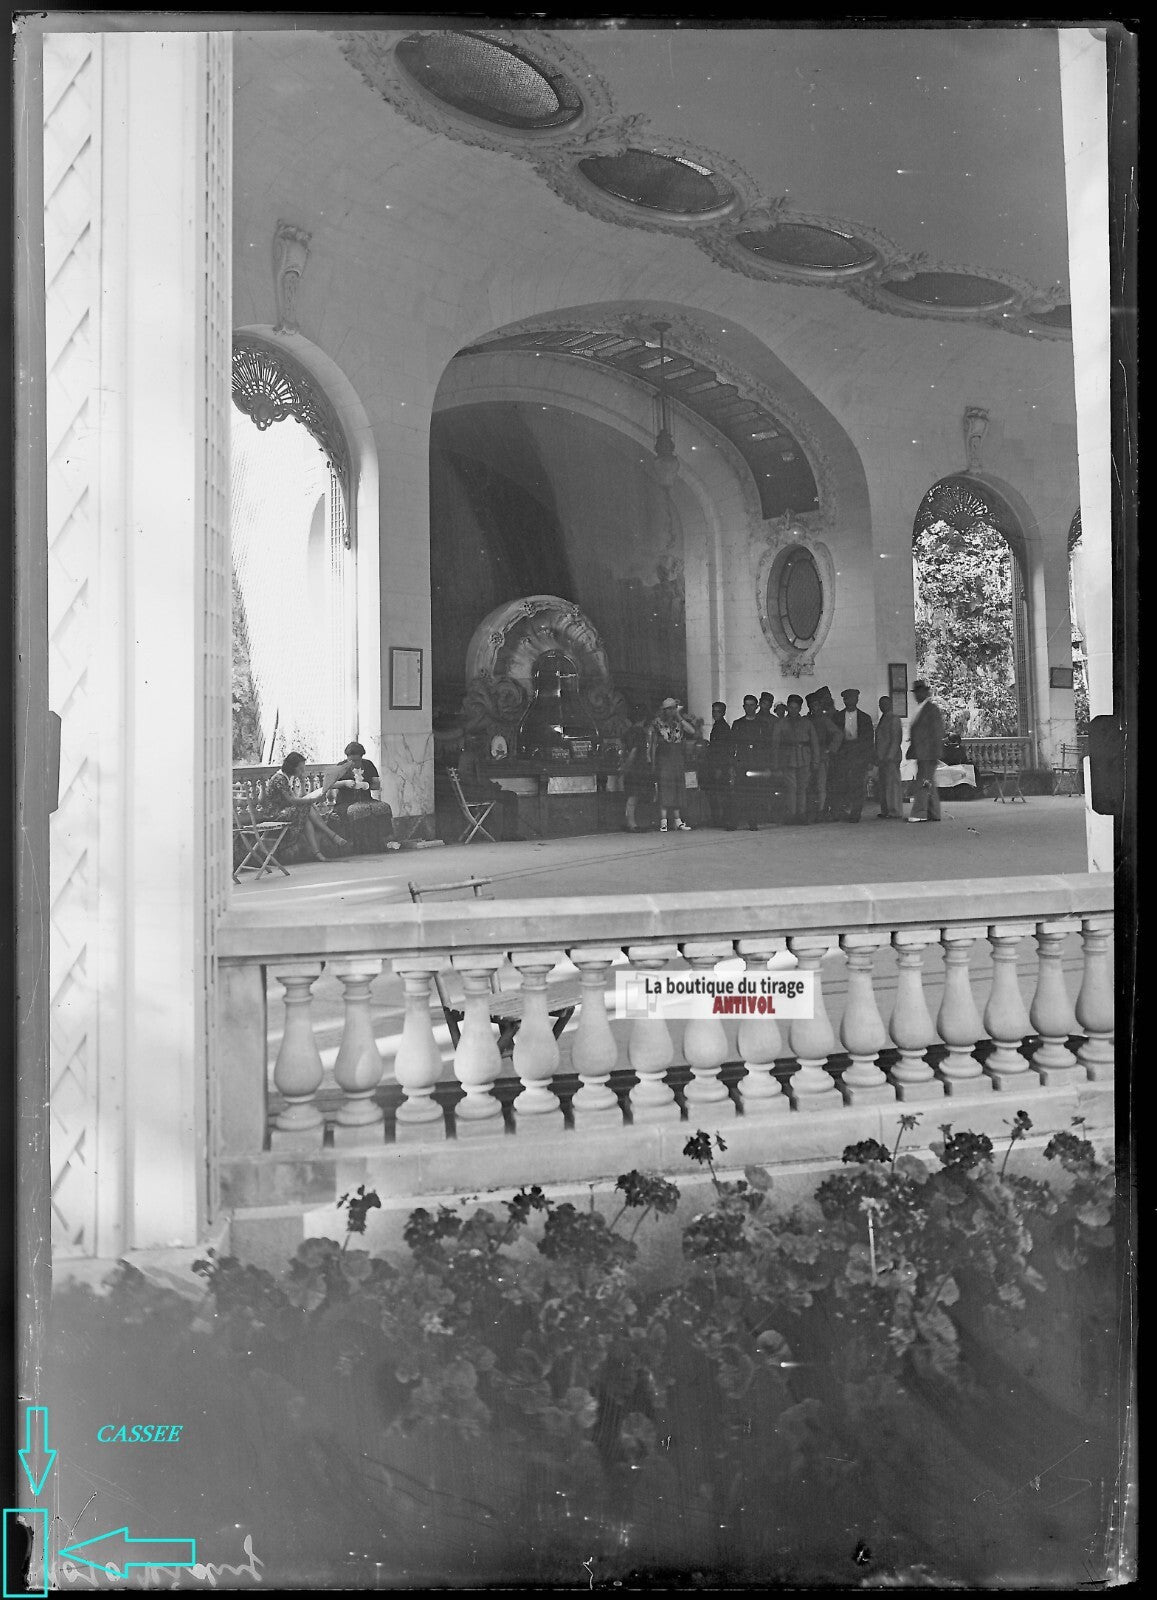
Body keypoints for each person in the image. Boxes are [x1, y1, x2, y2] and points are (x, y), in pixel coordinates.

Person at [260, 751, 352, 862]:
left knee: (306, 819)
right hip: (274, 814)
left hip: (285, 811)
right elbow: (292, 800)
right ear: (292, 767)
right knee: (307, 806)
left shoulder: (288, 777)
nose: (303, 771)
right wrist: (313, 799)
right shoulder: (280, 779)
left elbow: (299, 797)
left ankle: (318, 854)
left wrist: (302, 782)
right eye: (300, 768)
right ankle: (332, 835)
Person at [323, 741, 396, 852]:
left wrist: (366, 785)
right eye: (351, 760)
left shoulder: (368, 765)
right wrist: (344, 783)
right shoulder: (341, 766)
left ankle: (384, 840)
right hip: (345, 802)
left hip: (366, 799)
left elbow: (376, 784)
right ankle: (360, 845)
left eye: (356, 760)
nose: (353, 763)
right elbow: (328, 784)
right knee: (357, 810)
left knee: (383, 807)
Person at [455, 732, 521, 840]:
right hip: (477, 794)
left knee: (507, 796)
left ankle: (507, 833)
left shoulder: (464, 756)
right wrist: (494, 786)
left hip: (467, 793)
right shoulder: (475, 756)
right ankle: (509, 834)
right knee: (511, 797)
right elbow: (482, 781)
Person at [648, 696, 697, 833]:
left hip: (677, 757)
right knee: (665, 788)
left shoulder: (678, 722)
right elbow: (652, 744)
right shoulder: (657, 723)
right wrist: (652, 761)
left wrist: (679, 717)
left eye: (674, 708)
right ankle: (663, 821)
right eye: (670, 709)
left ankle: (678, 821)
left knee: (677, 787)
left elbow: (692, 731)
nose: (672, 711)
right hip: (664, 758)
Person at [828, 687, 875, 823]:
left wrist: (869, 759)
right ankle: (839, 812)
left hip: (858, 754)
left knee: (857, 785)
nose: (849, 701)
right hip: (842, 754)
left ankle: (856, 813)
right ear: (843, 700)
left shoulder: (865, 718)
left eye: (852, 698)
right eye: (847, 698)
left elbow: (868, 740)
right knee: (841, 783)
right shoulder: (837, 717)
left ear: (857, 699)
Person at [775, 695, 820, 824]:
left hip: (804, 758)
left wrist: (816, 760)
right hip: (787, 759)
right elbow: (775, 744)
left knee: (802, 787)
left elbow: (814, 742)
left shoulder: (807, 723)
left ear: (800, 708)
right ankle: (792, 814)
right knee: (791, 788)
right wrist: (776, 762)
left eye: (796, 708)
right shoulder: (781, 723)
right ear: (787, 707)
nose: (793, 710)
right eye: (791, 707)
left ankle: (801, 814)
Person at [906, 679, 946, 823]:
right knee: (928, 783)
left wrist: (934, 753)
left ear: (926, 692)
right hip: (923, 754)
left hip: (928, 754)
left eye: (919, 692)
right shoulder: (921, 708)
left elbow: (937, 733)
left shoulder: (931, 709)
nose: (916, 695)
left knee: (923, 783)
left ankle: (919, 813)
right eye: (915, 692)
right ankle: (934, 813)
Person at [731, 695, 771, 831]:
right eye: (746, 705)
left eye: (752, 705)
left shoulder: (763, 724)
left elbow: (767, 746)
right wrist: (733, 763)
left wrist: (766, 765)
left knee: (755, 793)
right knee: (739, 793)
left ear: (756, 706)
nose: (749, 708)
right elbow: (732, 745)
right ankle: (734, 821)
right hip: (742, 762)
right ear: (743, 707)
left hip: (757, 763)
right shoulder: (738, 724)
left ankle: (752, 821)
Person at [804, 689, 841, 823]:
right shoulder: (805, 720)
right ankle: (809, 811)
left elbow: (838, 734)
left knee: (821, 785)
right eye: (812, 706)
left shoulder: (825, 720)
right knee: (807, 785)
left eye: (817, 705)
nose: (815, 708)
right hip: (807, 757)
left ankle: (820, 811)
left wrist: (830, 749)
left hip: (821, 757)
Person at [620, 706, 653, 832]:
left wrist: (624, 765)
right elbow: (634, 751)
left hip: (630, 767)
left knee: (631, 795)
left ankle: (630, 822)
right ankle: (632, 824)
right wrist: (628, 765)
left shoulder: (627, 732)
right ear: (644, 719)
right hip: (638, 767)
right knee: (634, 796)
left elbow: (623, 749)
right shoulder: (640, 733)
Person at [703, 701, 735, 829]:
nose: (715, 714)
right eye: (714, 711)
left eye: (717, 711)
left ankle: (722, 819)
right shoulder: (719, 726)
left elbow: (722, 750)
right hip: (717, 764)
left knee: (720, 793)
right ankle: (720, 818)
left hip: (719, 764)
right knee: (718, 793)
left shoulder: (722, 727)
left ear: (723, 713)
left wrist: (719, 767)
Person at [874, 696, 904, 819]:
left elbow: (896, 739)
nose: (882, 706)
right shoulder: (884, 718)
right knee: (884, 784)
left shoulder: (894, 718)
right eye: (881, 704)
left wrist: (890, 756)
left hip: (890, 758)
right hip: (882, 758)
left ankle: (895, 811)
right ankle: (886, 810)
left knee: (892, 784)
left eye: (885, 703)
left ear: (890, 704)